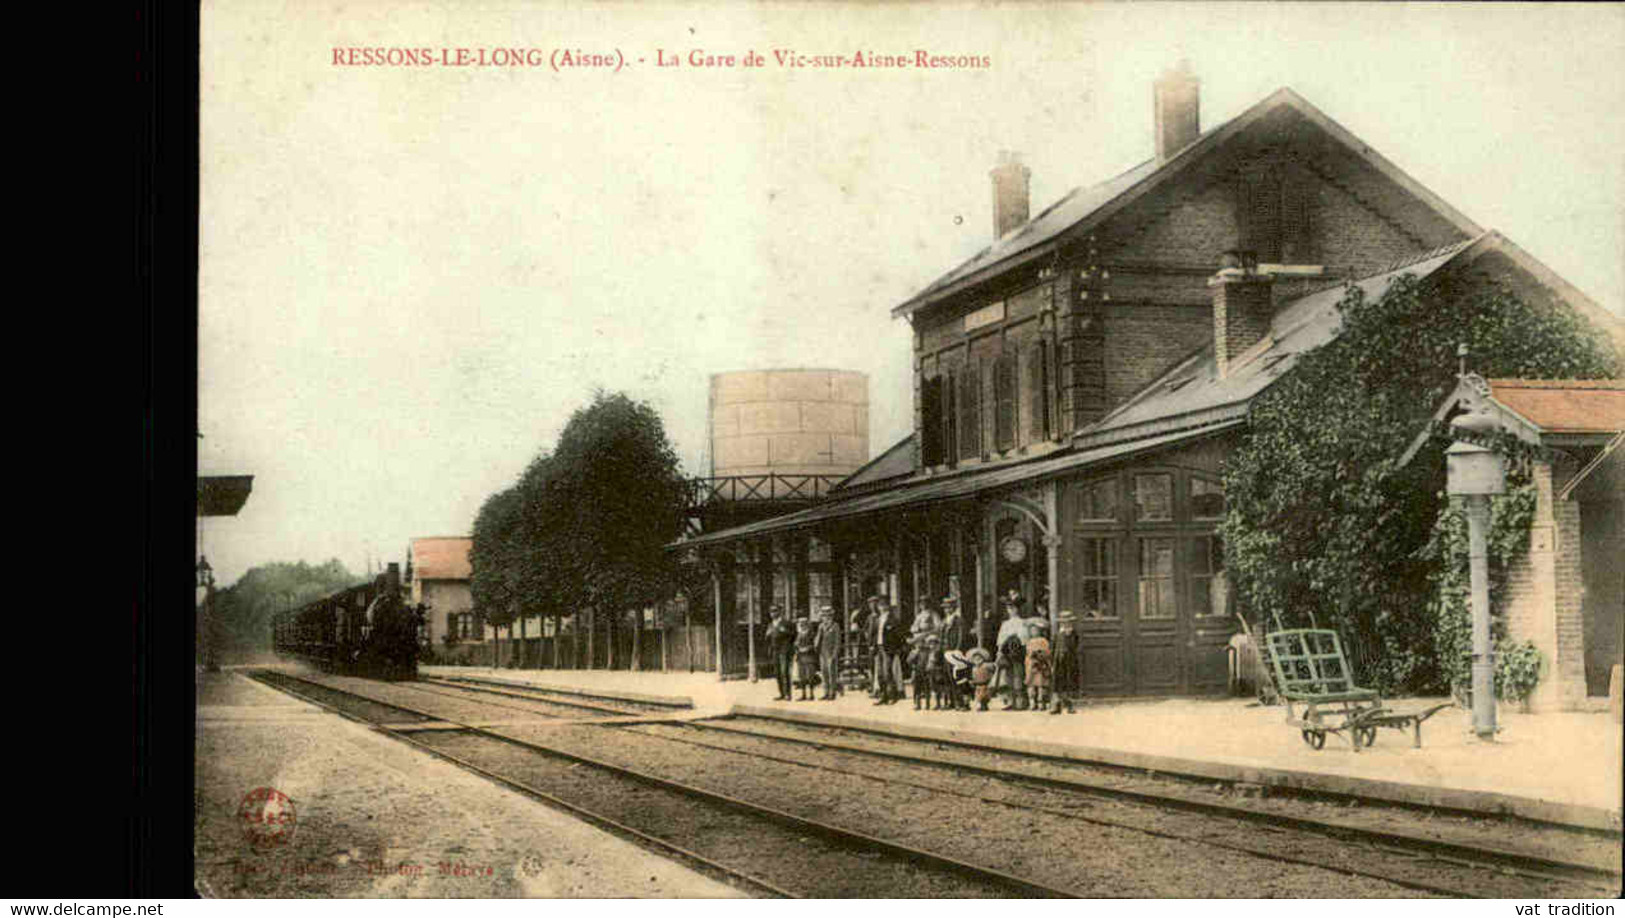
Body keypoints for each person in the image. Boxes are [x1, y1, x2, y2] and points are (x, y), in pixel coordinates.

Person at [994, 599, 1028, 709]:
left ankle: (1020, 702)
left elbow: (1024, 638)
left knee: (1018, 674)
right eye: (1009, 608)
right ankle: (1010, 701)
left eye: (1013, 608)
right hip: (1006, 651)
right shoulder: (1005, 624)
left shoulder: (1022, 622)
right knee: (1008, 676)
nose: (1011, 611)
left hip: (1017, 651)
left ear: (1017, 609)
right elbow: (1000, 639)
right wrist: (999, 652)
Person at [1051, 609, 1079, 714]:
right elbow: (1053, 647)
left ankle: (1069, 704)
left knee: (1069, 681)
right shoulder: (1058, 633)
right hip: (1058, 660)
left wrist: (1068, 635)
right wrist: (1052, 660)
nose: (1066, 624)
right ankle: (1057, 704)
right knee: (1057, 682)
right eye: (1064, 622)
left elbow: (1074, 646)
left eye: (1068, 622)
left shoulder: (1073, 634)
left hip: (1070, 661)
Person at [766, 605, 795, 701]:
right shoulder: (770, 625)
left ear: (779, 612)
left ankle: (788, 694)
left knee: (784, 672)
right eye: (771, 612)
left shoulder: (786, 623)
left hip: (784, 651)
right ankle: (781, 693)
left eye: (775, 611)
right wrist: (768, 634)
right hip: (775, 651)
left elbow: (794, 635)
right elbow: (767, 639)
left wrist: (785, 631)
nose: (773, 613)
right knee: (777, 673)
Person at [816, 605, 842, 700]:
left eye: (827, 616)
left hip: (831, 653)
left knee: (832, 673)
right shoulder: (821, 626)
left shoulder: (835, 626)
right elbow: (818, 640)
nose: (825, 618)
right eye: (823, 616)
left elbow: (837, 641)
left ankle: (832, 692)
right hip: (822, 652)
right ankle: (826, 692)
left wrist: (835, 654)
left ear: (831, 616)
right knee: (824, 673)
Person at [793, 609, 820, 701]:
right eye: (800, 624)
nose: (802, 626)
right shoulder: (799, 634)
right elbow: (796, 644)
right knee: (802, 677)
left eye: (804, 624)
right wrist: (797, 648)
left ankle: (811, 694)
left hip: (809, 657)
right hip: (800, 658)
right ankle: (803, 694)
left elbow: (815, 644)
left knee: (810, 677)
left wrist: (808, 648)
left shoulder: (811, 634)